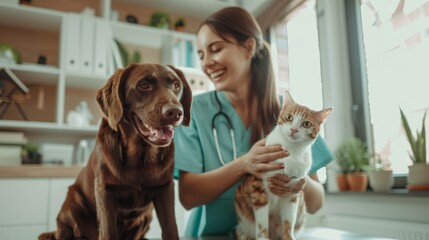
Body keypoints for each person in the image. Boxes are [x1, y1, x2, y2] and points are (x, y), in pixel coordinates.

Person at [173, 6, 334, 237]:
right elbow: (188, 197)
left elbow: (317, 202)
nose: (207, 63)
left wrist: (297, 180)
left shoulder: (291, 115)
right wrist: (245, 163)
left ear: (248, 47)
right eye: (201, 55)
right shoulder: (192, 110)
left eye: (215, 49)